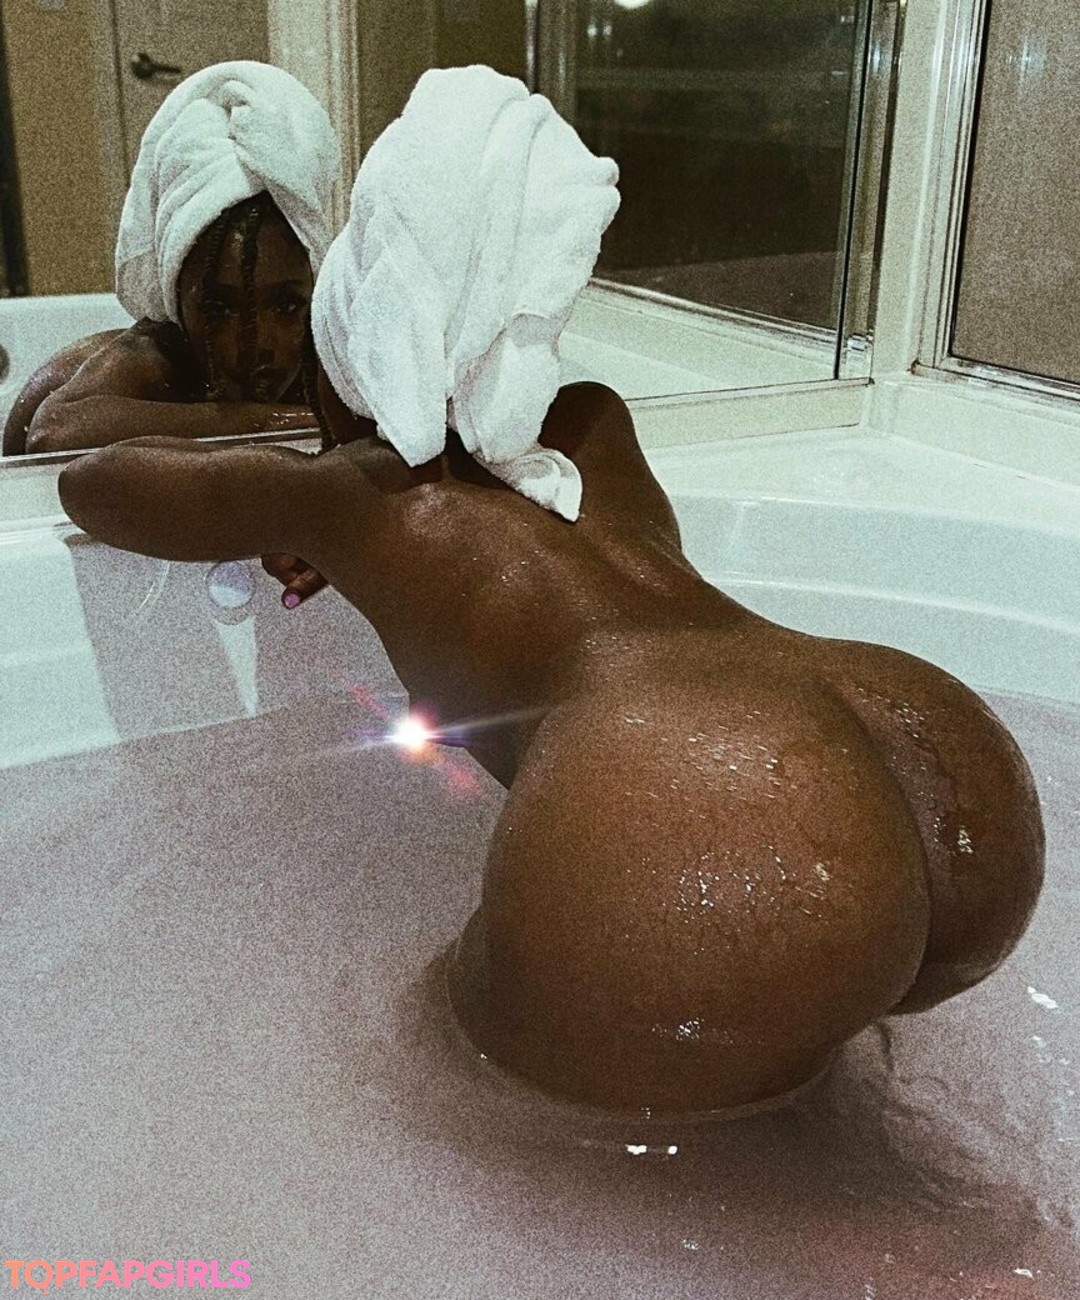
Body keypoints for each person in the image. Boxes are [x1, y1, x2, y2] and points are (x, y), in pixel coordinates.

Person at [56, 372, 1045, 1117]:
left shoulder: (355, 489)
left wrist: (299, 493)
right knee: (865, 1127)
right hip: (903, 722)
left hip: (687, 785)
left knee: (446, 1082)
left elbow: (96, 484)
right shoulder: (589, 429)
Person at [3, 61, 339, 462]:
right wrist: (269, 421)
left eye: (287, 305)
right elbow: (52, 433)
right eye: (218, 308)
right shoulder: (158, 357)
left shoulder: (324, 353)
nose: (257, 344)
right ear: (175, 297)